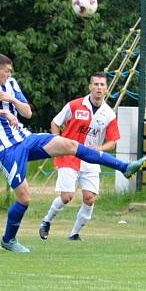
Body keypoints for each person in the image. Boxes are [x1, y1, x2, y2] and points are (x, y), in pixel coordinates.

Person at [0, 54, 146, 254]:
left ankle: (124, 167)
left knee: (71, 144)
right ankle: (8, 240)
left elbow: (27, 112)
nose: (10, 74)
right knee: (25, 198)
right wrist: (3, 112)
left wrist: (11, 101)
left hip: (26, 139)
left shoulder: (11, 84)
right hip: (7, 149)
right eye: (7, 70)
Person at [39, 72, 120, 242]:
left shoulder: (109, 114)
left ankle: (74, 234)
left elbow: (112, 142)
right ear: (90, 87)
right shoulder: (75, 105)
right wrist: (57, 142)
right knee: (67, 196)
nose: (99, 88)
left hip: (91, 159)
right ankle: (47, 220)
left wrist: (100, 148)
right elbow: (55, 123)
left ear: (106, 89)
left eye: (102, 85)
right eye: (96, 84)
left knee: (89, 199)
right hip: (69, 156)